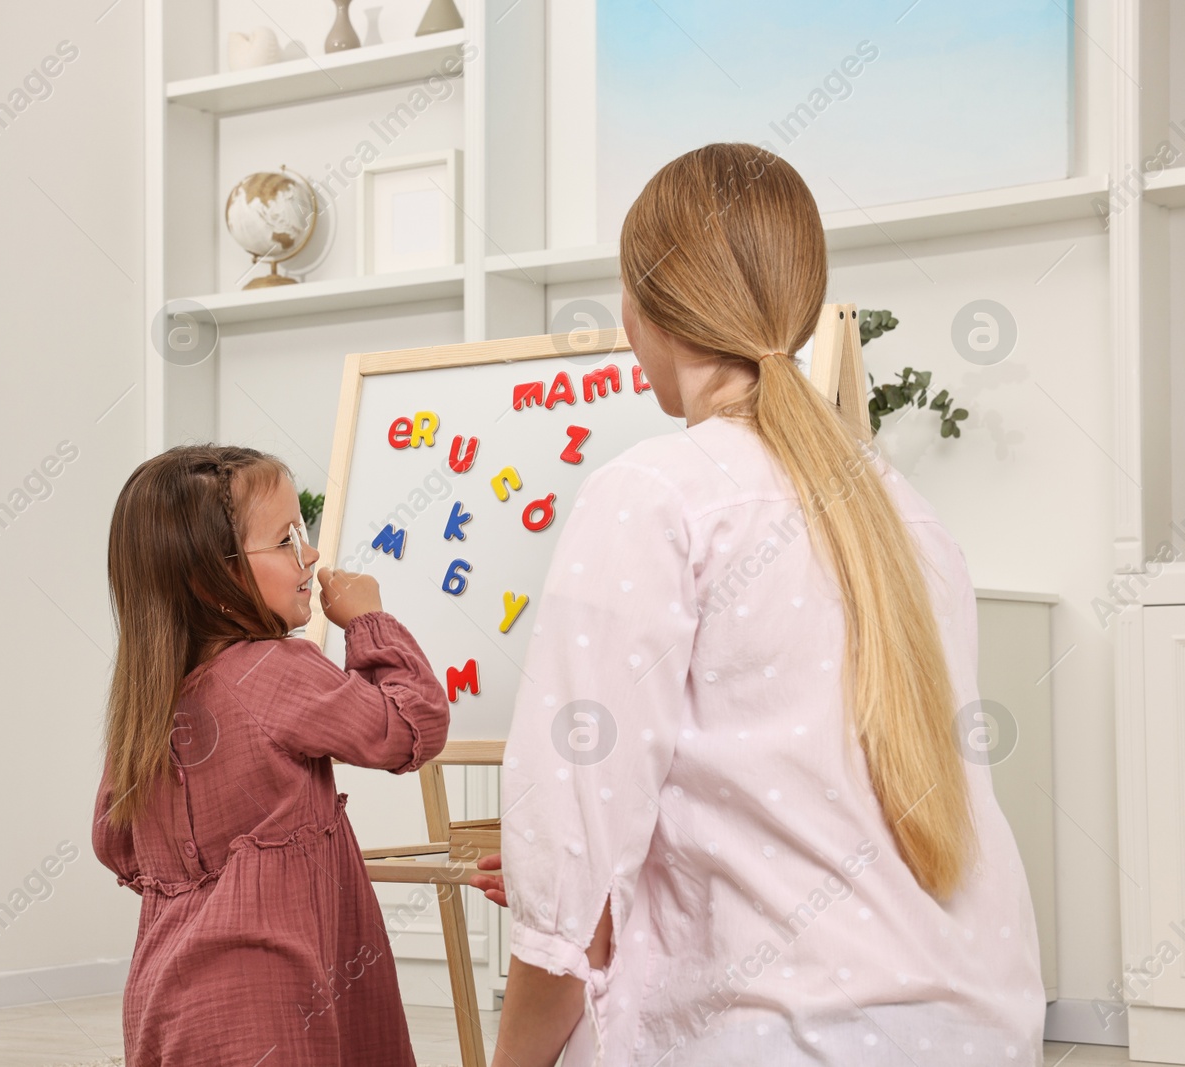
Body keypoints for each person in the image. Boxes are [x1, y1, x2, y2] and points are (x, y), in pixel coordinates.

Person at [468, 144, 1043, 1065]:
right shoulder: (908, 514)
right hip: (979, 1025)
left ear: (640, 310)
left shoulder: (653, 494)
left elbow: (564, 872)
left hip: (763, 1037)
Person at [91, 444, 450, 1066]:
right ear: (215, 574)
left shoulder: (147, 705)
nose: (309, 554)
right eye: (287, 540)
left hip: (165, 998)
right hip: (276, 1002)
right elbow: (410, 727)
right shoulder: (275, 671)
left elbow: (114, 842)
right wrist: (367, 621)